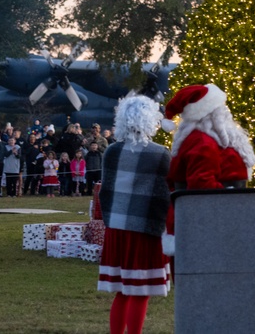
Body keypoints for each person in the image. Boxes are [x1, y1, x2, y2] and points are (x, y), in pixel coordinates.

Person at [98, 95, 171, 334]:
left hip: (117, 227)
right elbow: (165, 193)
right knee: (141, 292)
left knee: (122, 291)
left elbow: (106, 191)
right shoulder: (160, 153)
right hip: (145, 229)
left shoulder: (111, 151)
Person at [161, 83, 255, 256]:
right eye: (220, 107)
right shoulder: (203, 142)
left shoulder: (201, 139)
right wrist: (231, 196)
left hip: (204, 221)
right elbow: (201, 185)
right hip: (207, 225)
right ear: (210, 113)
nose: (225, 111)